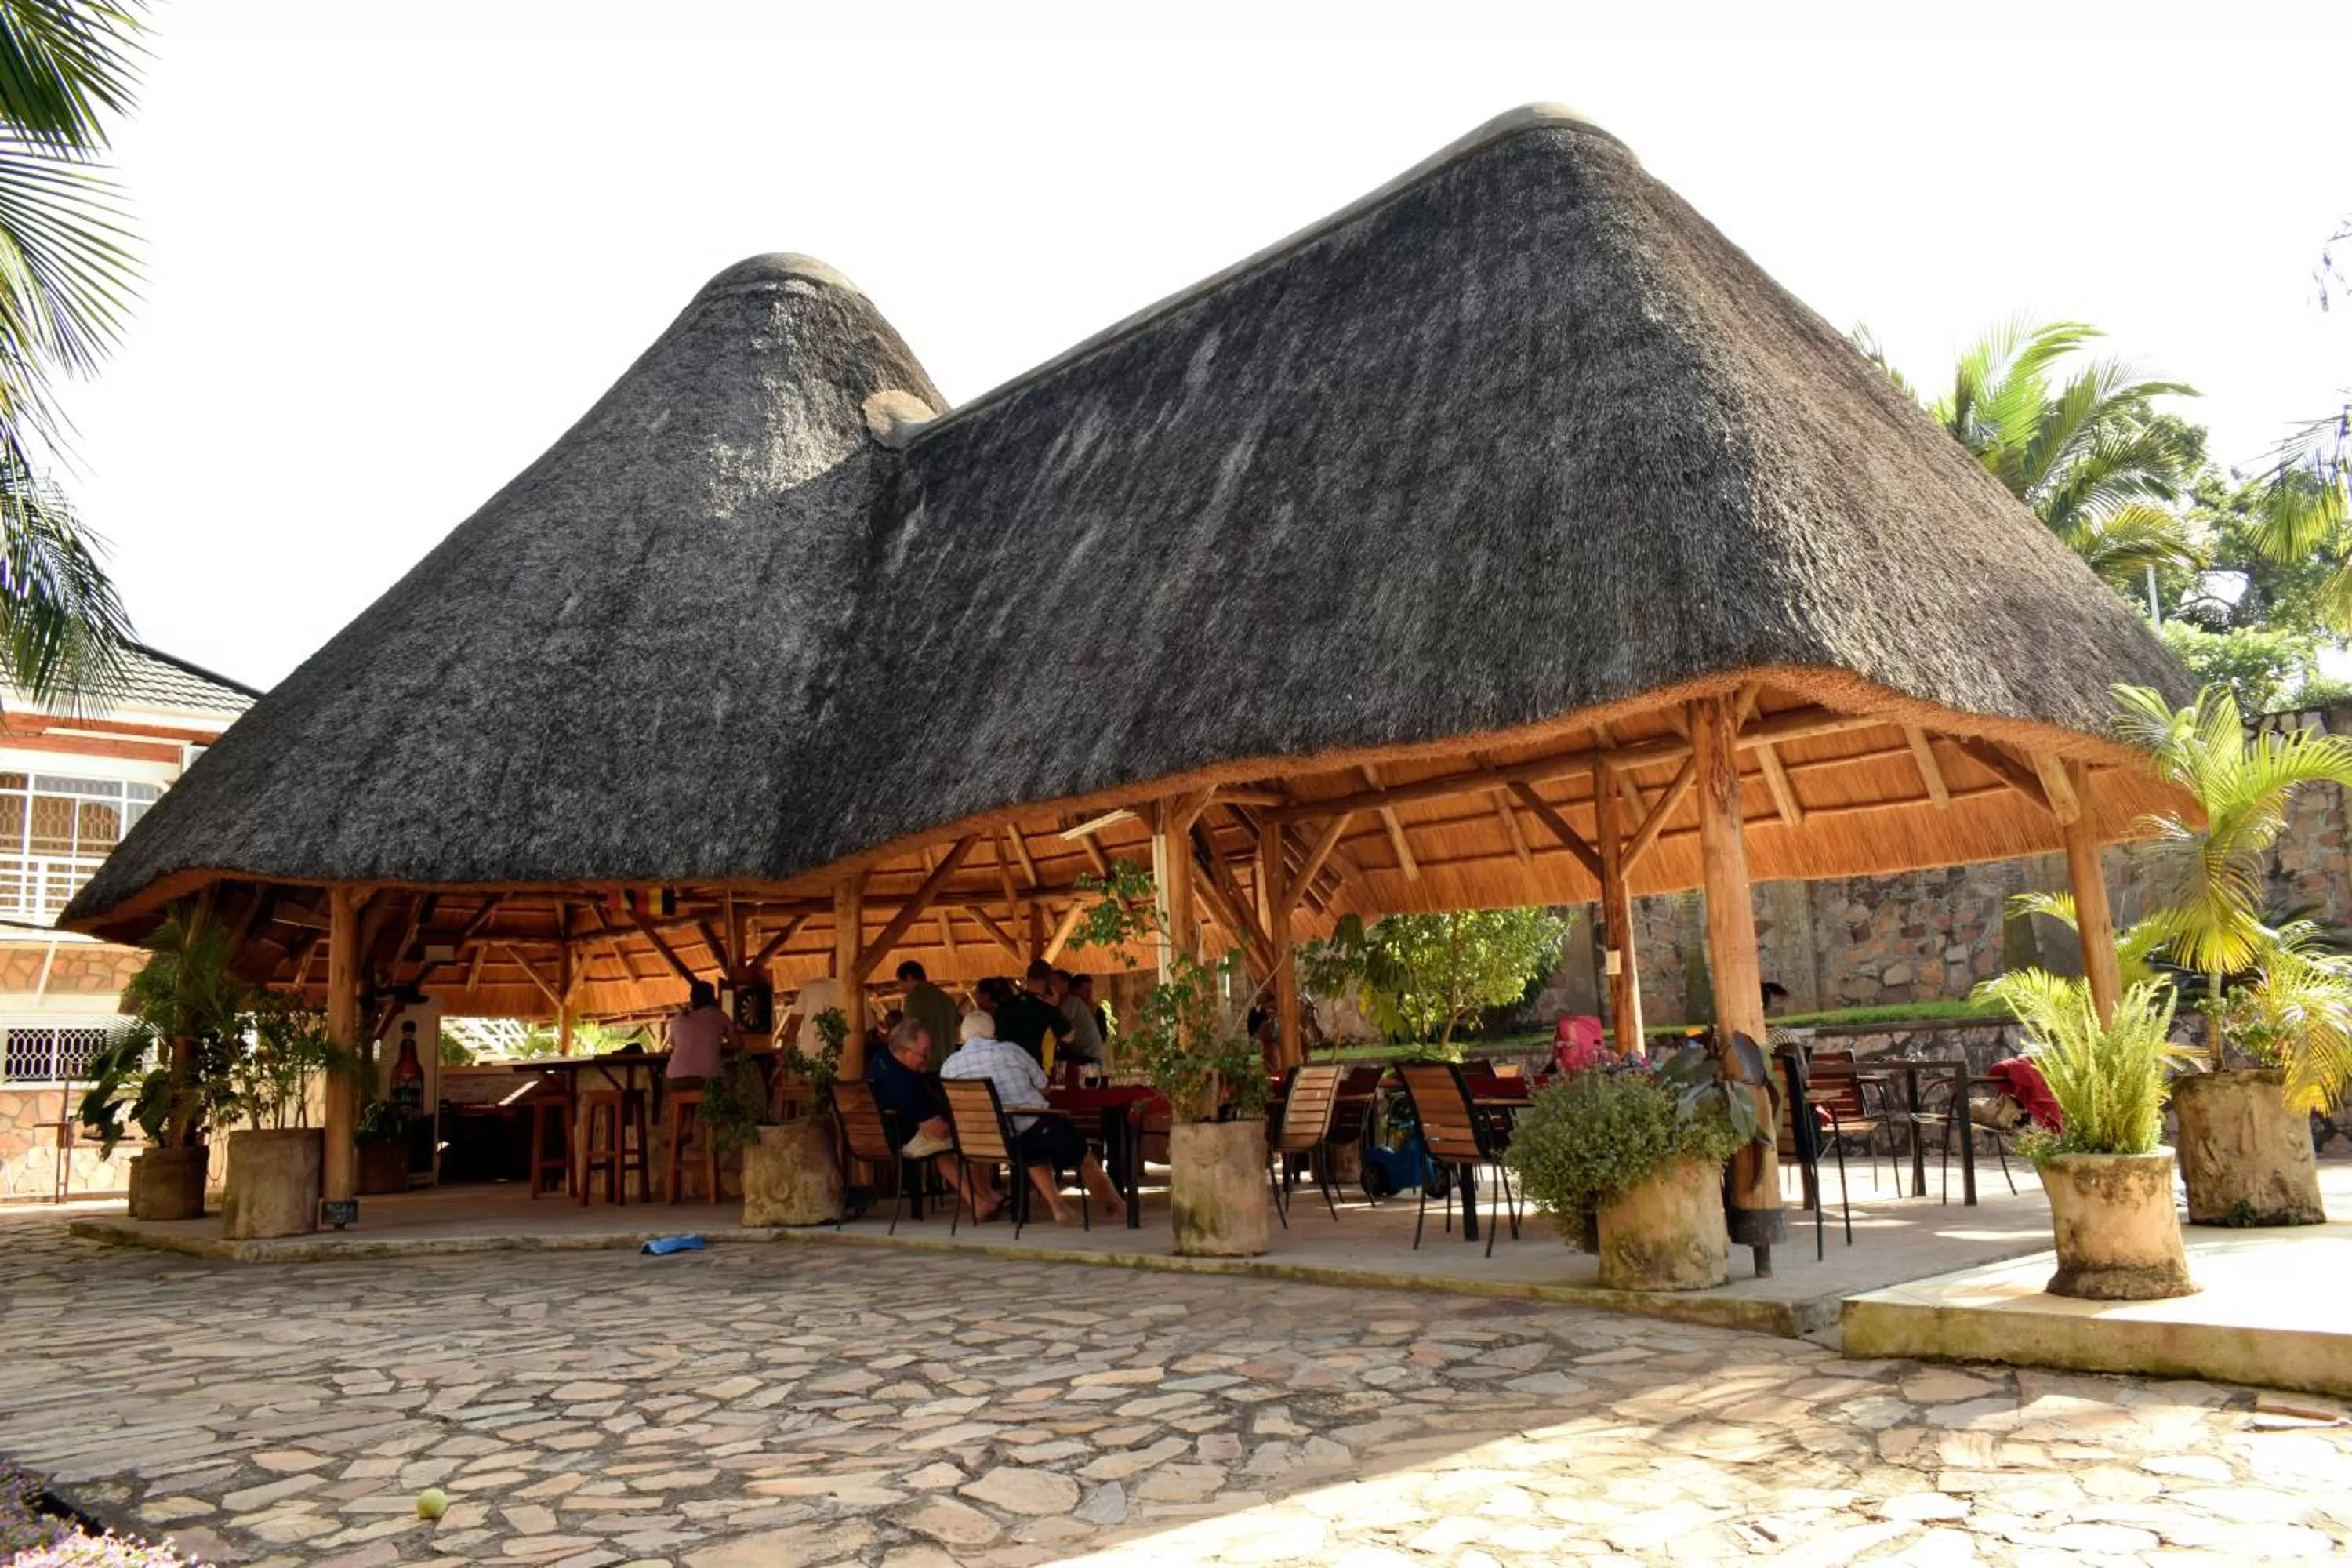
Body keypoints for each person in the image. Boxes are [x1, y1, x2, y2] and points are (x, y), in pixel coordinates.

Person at [940, 1011, 1128, 1225]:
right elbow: (1045, 1088)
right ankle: (1117, 1206)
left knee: (1033, 1148)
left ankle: (1059, 1207)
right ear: (993, 1033)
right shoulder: (1011, 1052)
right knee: (1082, 1157)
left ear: (963, 1037)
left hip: (982, 1142)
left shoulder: (949, 1066)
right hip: (1029, 1132)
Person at [870, 1017, 997, 1218]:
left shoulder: (881, 1057)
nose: (927, 1058)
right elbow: (937, 1130)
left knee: (947, 1144)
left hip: (889, 1130)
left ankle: (983, 1199)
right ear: (903, 1051)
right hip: (905, 1138)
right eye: (923, 1053)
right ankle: (982, 1198)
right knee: (970, 1138)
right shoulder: (905, 1085)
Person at [664, 980, 738, 1087]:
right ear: (713, 997)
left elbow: (673, 1044)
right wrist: (716, 1046)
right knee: (730, 1079)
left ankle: (676, 1104)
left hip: (676, 1077)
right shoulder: (718, 1015)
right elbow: (738, 1044)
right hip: (708, 1076)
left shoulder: (679, 1017)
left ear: (691, 997)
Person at [992, 961, 1065, 1066]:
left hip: (1006, 1066)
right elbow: (1069, 1036)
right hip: (1034, 1070)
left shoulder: (1005, 1006)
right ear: (1049, 983)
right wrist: (1055, 1007)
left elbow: (996, 1036)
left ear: (1028, 978)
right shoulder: (1047, 1009)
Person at [898, 960, 960, 1073]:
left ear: (909, 977)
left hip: (926, 1065)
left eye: (901, 983)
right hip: (949, 1064)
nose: (901, 987)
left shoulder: (913, 999)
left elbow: (909, 1034)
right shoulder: (947, 999)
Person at [1050, 967, 1104, 1068]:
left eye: (1053, 982)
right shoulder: (1074, 1004)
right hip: (1088, 1056)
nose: (1050, 986)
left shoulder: (1072, 1003)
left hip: (1088, 1058)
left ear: (1065, 984)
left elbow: (1052, 1025)